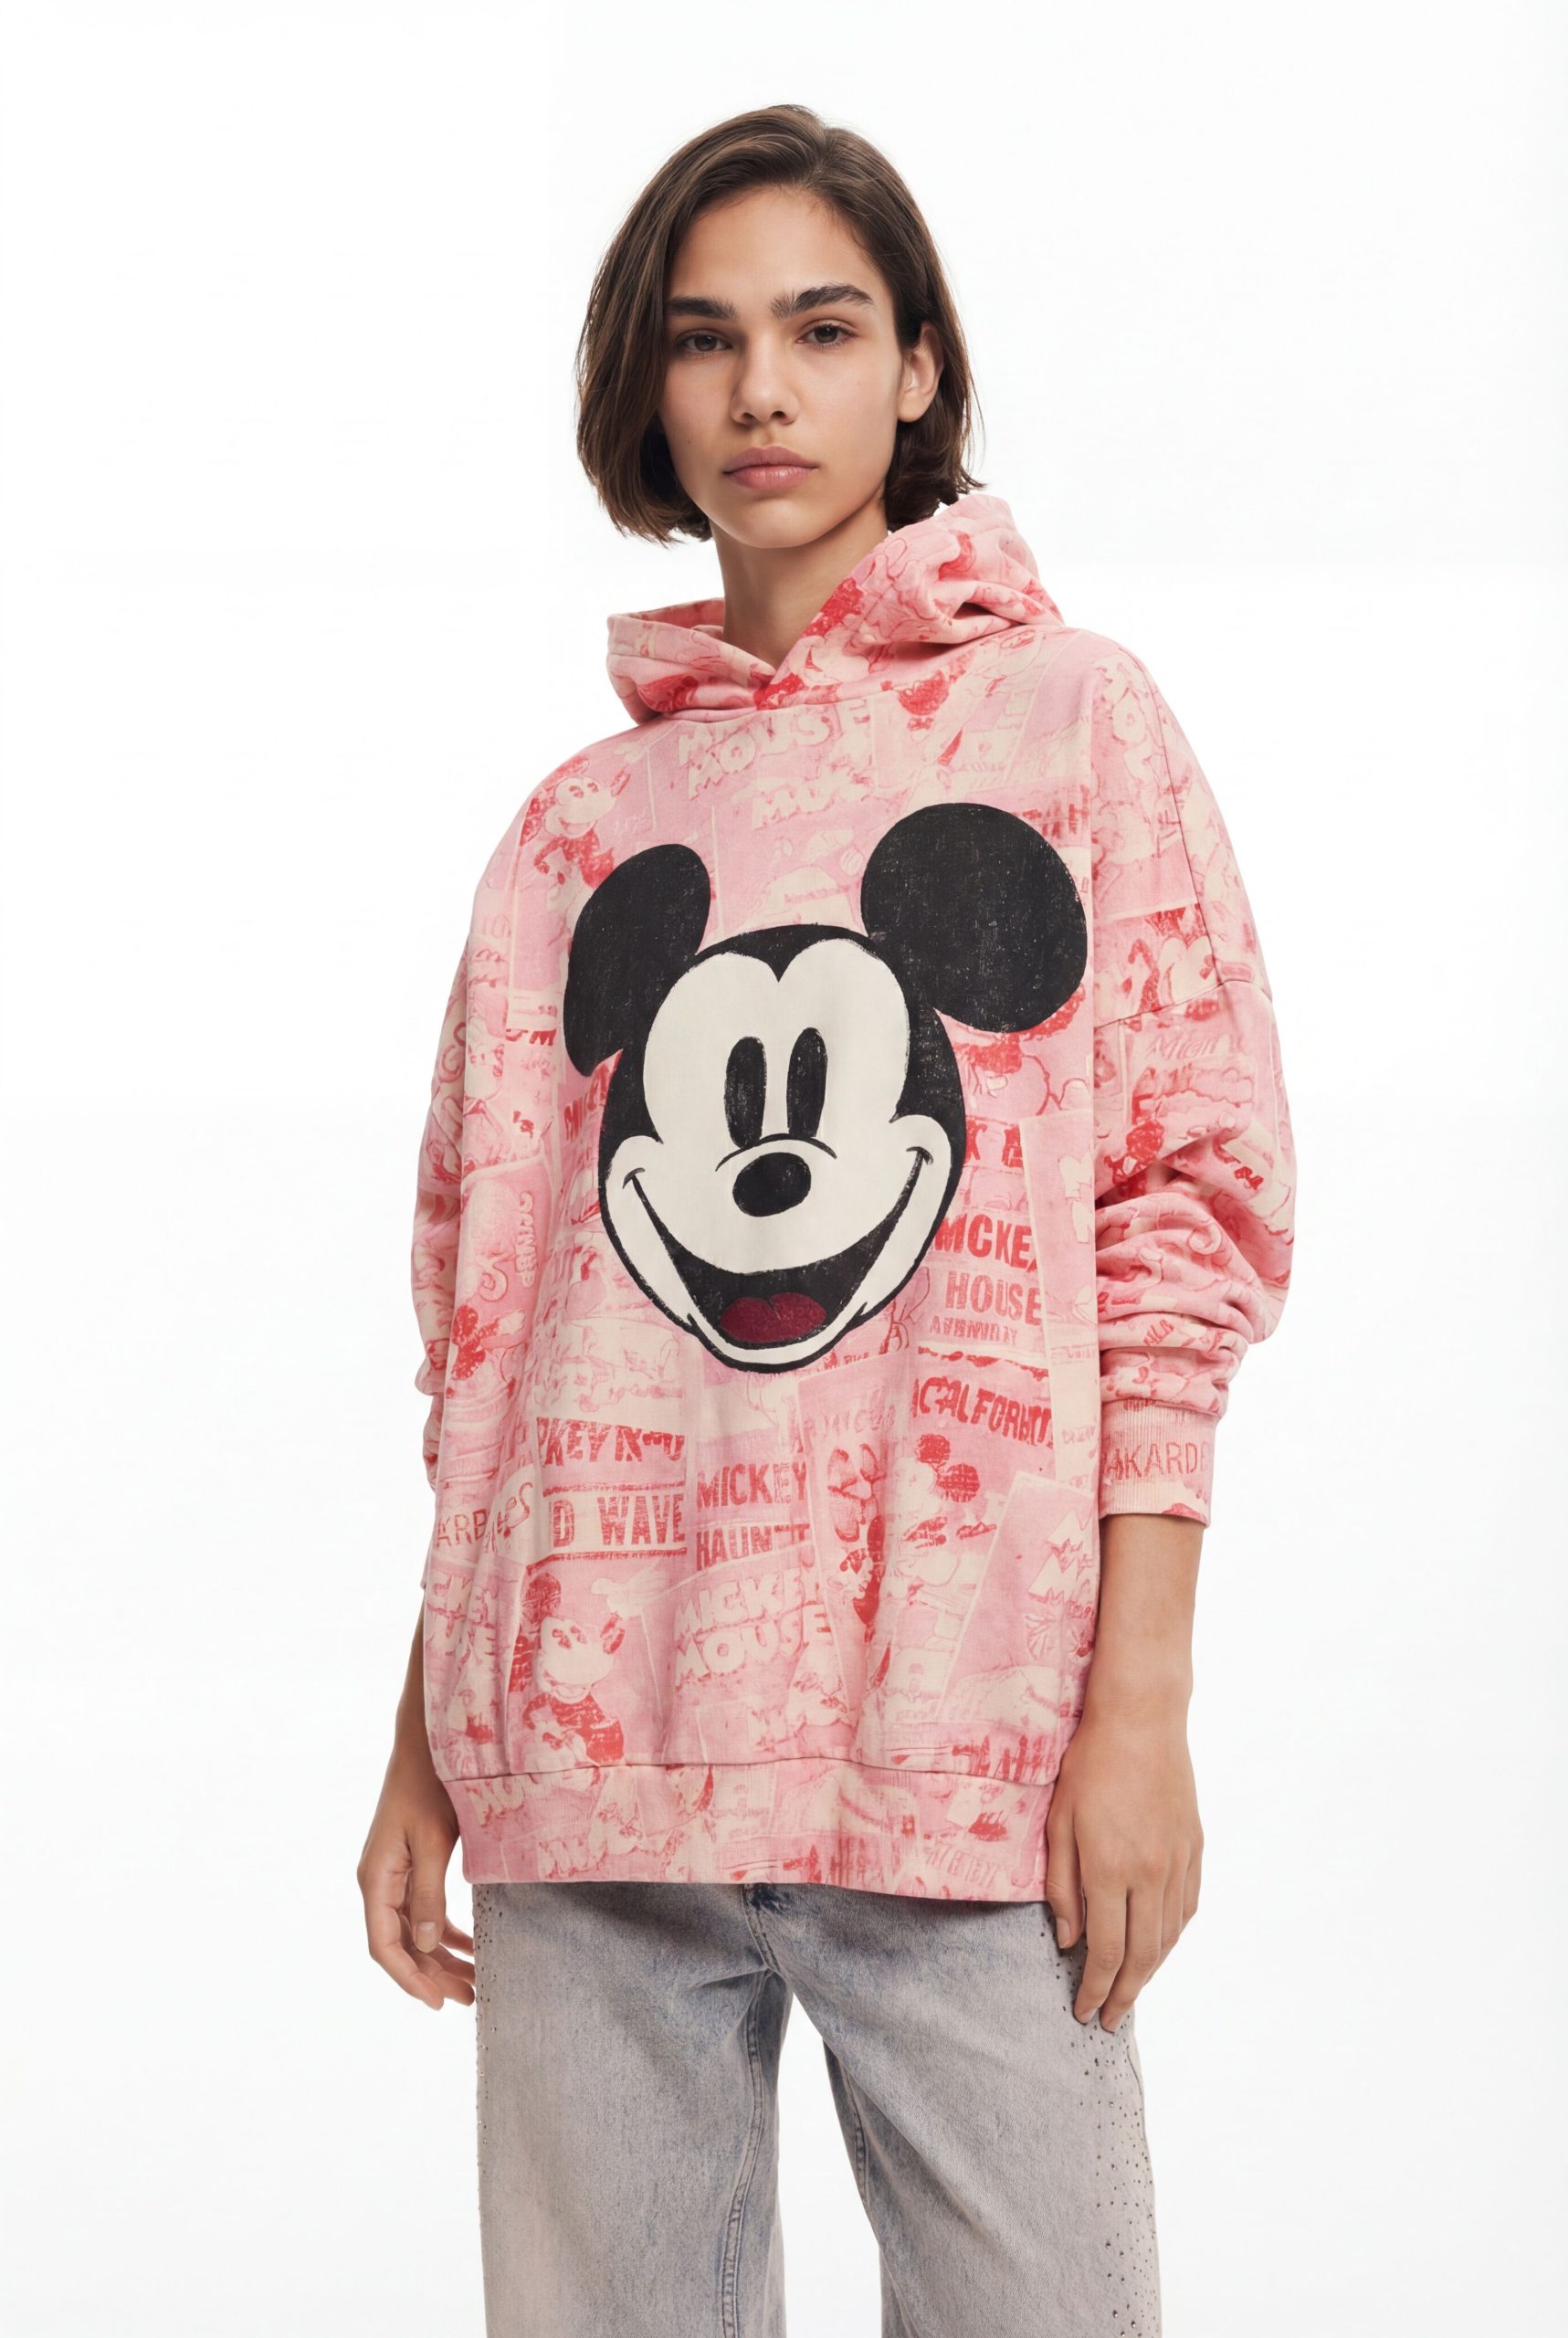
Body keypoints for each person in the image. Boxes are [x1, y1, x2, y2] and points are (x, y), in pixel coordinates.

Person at [357, 102, 1297, 2338]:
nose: (759, 390)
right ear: (647, 384)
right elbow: (494, 1323)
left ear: (918, 366)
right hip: (587, 1768)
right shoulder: (578, 835)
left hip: (964, 1759)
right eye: (703, 339)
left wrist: (1139, 1708)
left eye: (821, 326)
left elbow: (1181, 1212)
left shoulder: (1071, 723)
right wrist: (425, 1736)